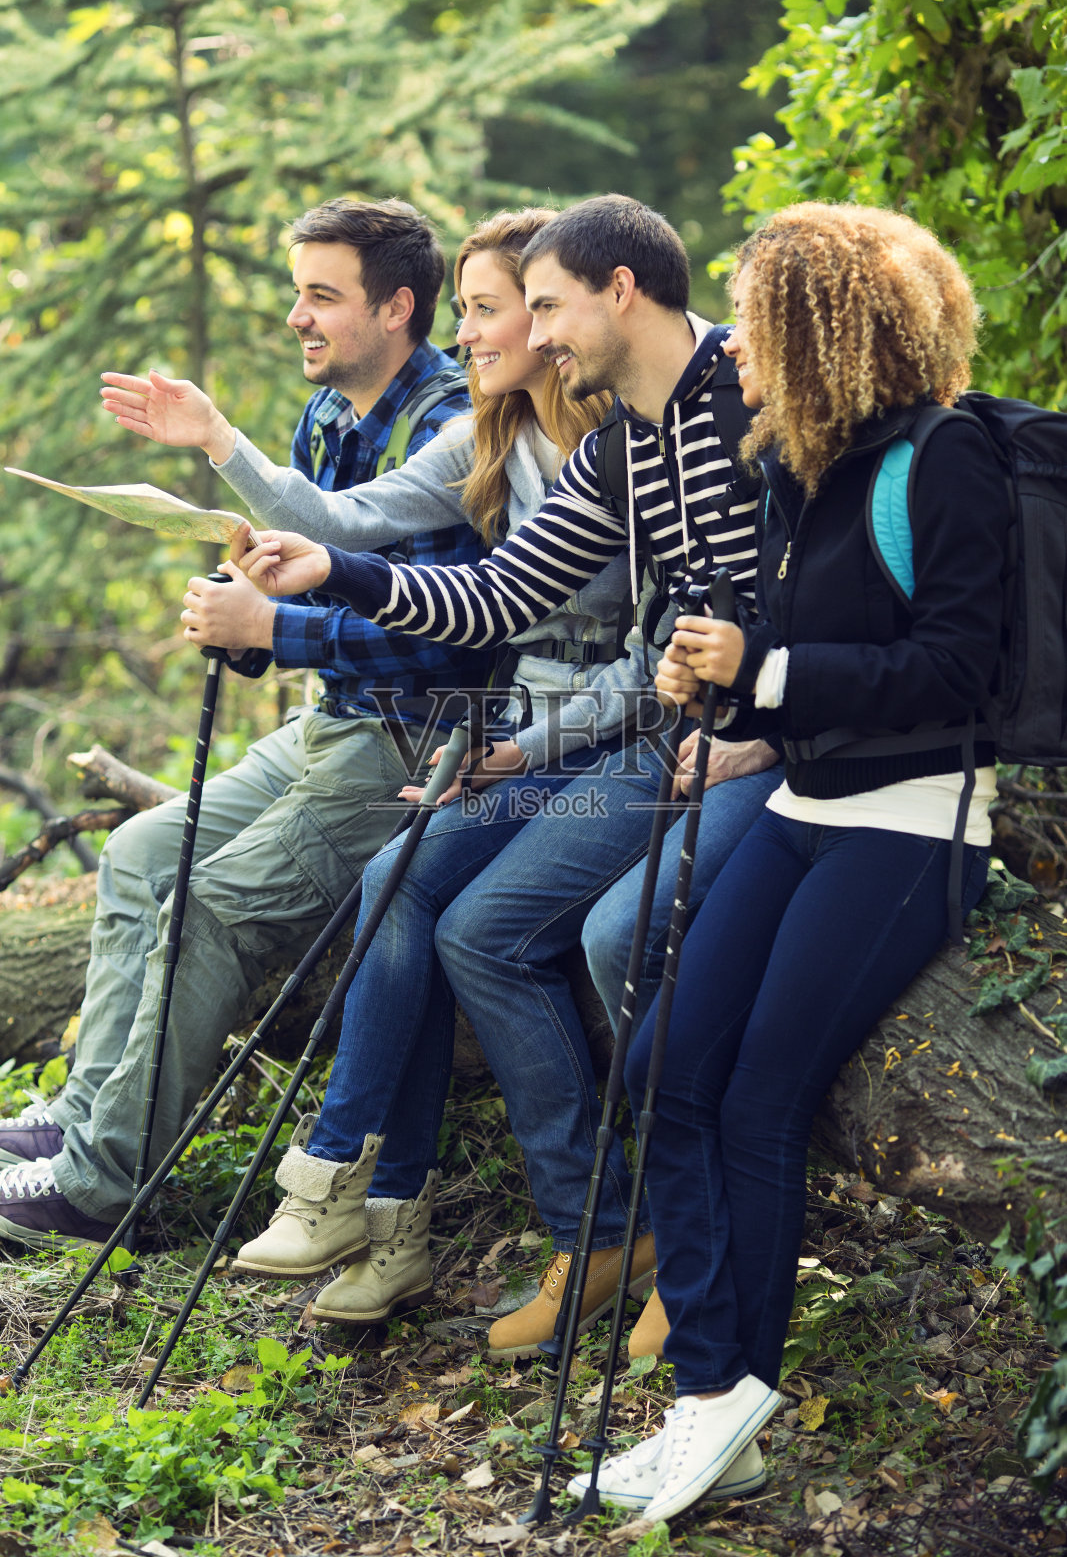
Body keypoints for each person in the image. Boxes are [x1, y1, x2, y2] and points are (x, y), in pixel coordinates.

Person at [231, 195, 782, 1370]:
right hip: (657, 734)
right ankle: (595, 1229)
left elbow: (832, 575)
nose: (526, 335)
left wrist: (778, 721)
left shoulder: (754, 396)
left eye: (540, 306)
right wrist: (335, 569)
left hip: (757, 742)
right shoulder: (625, 446)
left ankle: (690, 1246)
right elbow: (498, 595)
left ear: (618, 292)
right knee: (475, 928)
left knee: (602, 933)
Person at [567, 201, 1008, 1522]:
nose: (733, 359)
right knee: (660, 1067)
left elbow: (956, 670)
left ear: (819, 333)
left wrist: (762, 670)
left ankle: (721, 1389)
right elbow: (785, 671)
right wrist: (718, 686)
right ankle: (719, 1405)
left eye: (755, 332)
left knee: (755, 1099)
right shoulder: (802, 472)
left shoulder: (944, 460)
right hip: (813, 806)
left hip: (914, 821)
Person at [0, 197, 488, 1251]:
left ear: (397, 307)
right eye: (294, 293)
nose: (295, 318)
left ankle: (99, 1187)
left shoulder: (455, 429)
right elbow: (318, 585)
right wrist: (248, 614)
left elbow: (453, 640)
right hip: (337, 720)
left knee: (209, 906)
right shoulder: (326, 417)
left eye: (321, 296)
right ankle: (90, 1122)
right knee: (137, 850)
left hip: (414, 744)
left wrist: (279, 628)